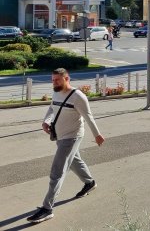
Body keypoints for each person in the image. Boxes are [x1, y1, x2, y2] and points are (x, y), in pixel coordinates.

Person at [27, 68, 105, 224]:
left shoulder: (78, 97)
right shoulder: (56, 92)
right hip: (60, 136)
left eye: (57, 80)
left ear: (67, 78)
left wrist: (97, 135)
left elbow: (88, 117)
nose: (54, 83)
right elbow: (52, 107)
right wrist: (46, 121)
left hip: (72, 136)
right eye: (52, 80)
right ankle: (90, 183)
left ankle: (47, 208)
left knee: (57, 171)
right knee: (75, 161)